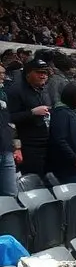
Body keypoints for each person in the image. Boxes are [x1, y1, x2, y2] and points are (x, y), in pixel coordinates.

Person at [7, 58, 52, 175]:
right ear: (28, 73)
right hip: (28, 145)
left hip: (47, 142)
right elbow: (8, 118)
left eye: (45, 73)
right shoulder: (15, 90)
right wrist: (31, 113)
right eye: (39, 72)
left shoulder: (44, 89)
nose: (43, 76)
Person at [46, 81, 76, 185]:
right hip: (70, 167)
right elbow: (59, 140)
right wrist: (75, 160)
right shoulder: (61, 113)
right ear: (74, 97)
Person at [0, 63, 17, 197]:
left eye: (3, 73)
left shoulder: (4, 95)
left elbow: (9, 122)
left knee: (11, 195)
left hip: (7, 149)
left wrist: (15, 145)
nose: (3, 77)